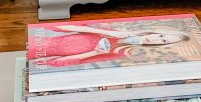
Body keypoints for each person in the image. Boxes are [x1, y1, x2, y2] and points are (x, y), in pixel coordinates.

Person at [34, 23, 189, 69]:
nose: (157, 39)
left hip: (43, 53)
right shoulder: (115, 30)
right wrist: (108, 33)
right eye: (161, 36)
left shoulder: (123, 53)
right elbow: (65, 27)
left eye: (164, 42)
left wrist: (94, 53)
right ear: (156, 32)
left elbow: (66, 61)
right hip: (40, 42)